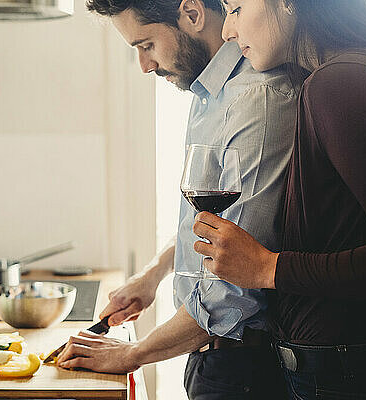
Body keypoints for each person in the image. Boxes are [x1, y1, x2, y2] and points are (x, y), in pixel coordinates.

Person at [193, 0, 366, 398]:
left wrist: (268, 269)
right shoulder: (357, 72)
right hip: (358, 371)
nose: (227, 31)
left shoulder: (342, 83)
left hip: (352, 381)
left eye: (236, 8)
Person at [56, 0, 298, 398]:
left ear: (191, 13)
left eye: (146, 44)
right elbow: (213, 223)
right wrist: (152, 275)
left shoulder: (257, 99)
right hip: (211, 359)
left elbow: (234, 290)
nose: (145, 65)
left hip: (243, 369)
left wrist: (133, 353)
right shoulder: (210, 94)